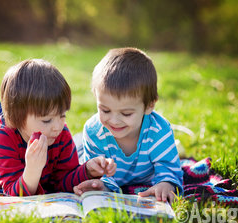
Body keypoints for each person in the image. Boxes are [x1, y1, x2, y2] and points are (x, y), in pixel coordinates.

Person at [0, 57, 116, 196]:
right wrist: (33, 170)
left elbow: (61, 181)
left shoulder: (60, 133)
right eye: (46, 120)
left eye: (62, 115)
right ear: (17, 119)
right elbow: (14, 193)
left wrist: (87, 171)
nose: (58, 126)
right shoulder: (0, 140)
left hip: (15, 135)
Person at [73, 48, 183, 203]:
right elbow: (96, 172)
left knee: (170, 155)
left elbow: (170, 169)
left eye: (126, 114)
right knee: (75, 150)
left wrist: (166, 184)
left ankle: (176, 147)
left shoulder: (159, 131)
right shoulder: (93, 131)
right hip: (81, 149)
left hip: (145, 166)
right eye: (105, 110)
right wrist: (101, 185)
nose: (114, 120)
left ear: (149, 106)